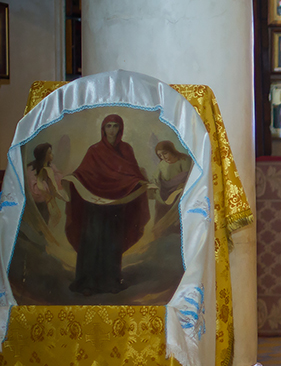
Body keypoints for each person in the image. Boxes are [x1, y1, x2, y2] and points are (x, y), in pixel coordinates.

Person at [63, 114, 151, 296]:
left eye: (115, 126)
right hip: (95, 206)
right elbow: (83, 173)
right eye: (108, 126)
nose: (112, 130)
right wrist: (72, 179)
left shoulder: (126, 150)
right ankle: (87, 282)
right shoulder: (94, 150)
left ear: (121, 128)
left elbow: (132, 174)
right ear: (103, 129)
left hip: (117, 206)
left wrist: (141, 182)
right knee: (92, 242)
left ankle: (111, 281)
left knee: (113, 243)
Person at [153, 140, 193, 225]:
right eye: (160, 155)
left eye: (165, 153)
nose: (163, 157)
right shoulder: (162, 165)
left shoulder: (184, 160)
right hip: (164, 197)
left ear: (171, 150)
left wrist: (178, 190)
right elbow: (156, 180)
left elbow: (189, 179)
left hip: (181, 195)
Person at [26, 142, 66, 223]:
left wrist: (51, 178)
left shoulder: (51, 166)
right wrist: (47, 182)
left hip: (47, 203)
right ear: (43, 155)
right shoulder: (32, 169)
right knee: (39, 223)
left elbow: (60, 180)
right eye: (49, 153)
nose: (52, 155)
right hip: (36, 204)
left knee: (47, 221)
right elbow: (34, 189)